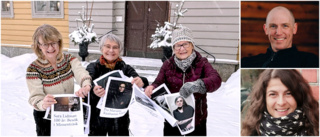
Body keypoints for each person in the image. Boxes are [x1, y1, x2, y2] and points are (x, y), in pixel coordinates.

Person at [144, 26, 222, 136]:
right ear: (173, 48)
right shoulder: (167, 65)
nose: (182, 48)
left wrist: (198, 85)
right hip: (173, 120)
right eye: (177, 45)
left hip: (196, 121)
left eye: (185, 44)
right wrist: (151, 88)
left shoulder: (202, 63)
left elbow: (216, 79)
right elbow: (158, 82)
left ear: (192, 45)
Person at [26, 24, 92, 136]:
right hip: (46, 116)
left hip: (68, 112)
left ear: (59, 42)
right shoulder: (33, 69)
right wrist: (43, 103)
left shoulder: (69, 59)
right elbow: (35, 97)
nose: (50, 48)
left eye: (53, 43)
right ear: (39, 46)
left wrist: (86, 85)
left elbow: (81, 72)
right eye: (45, 44)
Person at [86, 33, 149, 136]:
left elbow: (139, 80)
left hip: (119, 121)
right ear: (101, 48)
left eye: (115, 47)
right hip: (97, 119)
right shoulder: (93, 67)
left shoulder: (125, 68)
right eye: (108, 46)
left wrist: (141, 82)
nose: (111, 50)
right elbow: (87, 83)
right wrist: (93, 90)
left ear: (119, 50)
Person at [241, 69, 319, 136]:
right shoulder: (249, 132)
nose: (281, 102)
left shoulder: (316, 129)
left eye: (288, 93)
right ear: (263, 99)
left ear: (299, 96)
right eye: (273, 94)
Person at [241, 6, 319, 68]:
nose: (278, 32)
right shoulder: (247, 63)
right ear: (266, 29)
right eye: (273, 26)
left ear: (294, 29)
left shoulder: (310, 62)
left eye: (285, 26)